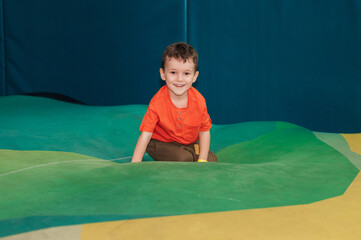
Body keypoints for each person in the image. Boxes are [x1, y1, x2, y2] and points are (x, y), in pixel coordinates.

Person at [131, 42, 217, 163]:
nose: (179, 79)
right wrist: (135, 164)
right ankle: (188, 154)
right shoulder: (158, 101)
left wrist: (202, 160)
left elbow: (204, 132)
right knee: (182, 158)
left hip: (187, 143)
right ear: (163, 74)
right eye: (173, 72)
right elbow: (146, 135)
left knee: (211, 159)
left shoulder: (199, 100)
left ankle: (191, 152)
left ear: (194, 76)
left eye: (186, 73)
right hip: (160, 143)